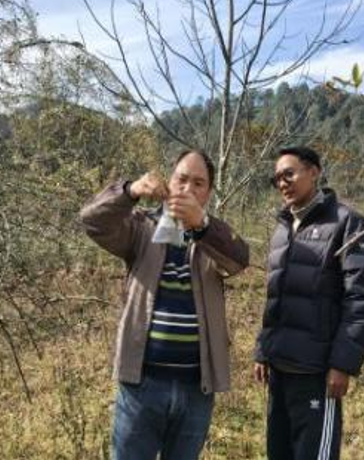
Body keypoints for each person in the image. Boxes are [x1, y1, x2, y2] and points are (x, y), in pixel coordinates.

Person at [77, 150, 250, 460]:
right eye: (181, 179)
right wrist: (129, 191)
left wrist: (202, 226)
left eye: (198, 183)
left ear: (208, 193)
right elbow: (92, 221)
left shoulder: (214, 236)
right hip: (142, 383)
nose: (188, 188)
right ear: (169, 181)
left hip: (196, 388)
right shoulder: (141, 227)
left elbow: (239, 260)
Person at [254, 146, 364, 460]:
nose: (282, 183)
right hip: (280, 369)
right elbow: (275, 297)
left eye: (289, 174)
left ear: (314, 172)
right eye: (276, 179)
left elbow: (362, 301)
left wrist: (342, 364)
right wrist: (263, 349)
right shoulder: (283, 228)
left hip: (316, 372)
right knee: (279, 453)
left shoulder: (348, 223)